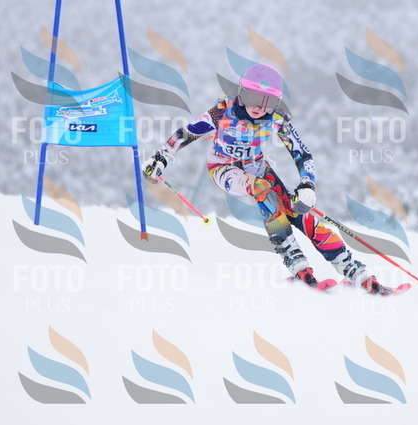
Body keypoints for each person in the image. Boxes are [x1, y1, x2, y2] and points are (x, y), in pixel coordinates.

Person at [143, 63, 392, 295]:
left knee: (296, 210)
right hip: (223, 168)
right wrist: (161, 158)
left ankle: (350, 267)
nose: (259, 107)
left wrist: (307, 184)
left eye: (268, 101)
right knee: (260, 188)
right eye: (254, 98)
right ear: (242, 93)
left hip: (257, 166)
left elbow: (302, 153)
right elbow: (187, 133)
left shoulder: (276, 119)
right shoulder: (222, 112)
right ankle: (295, 260)